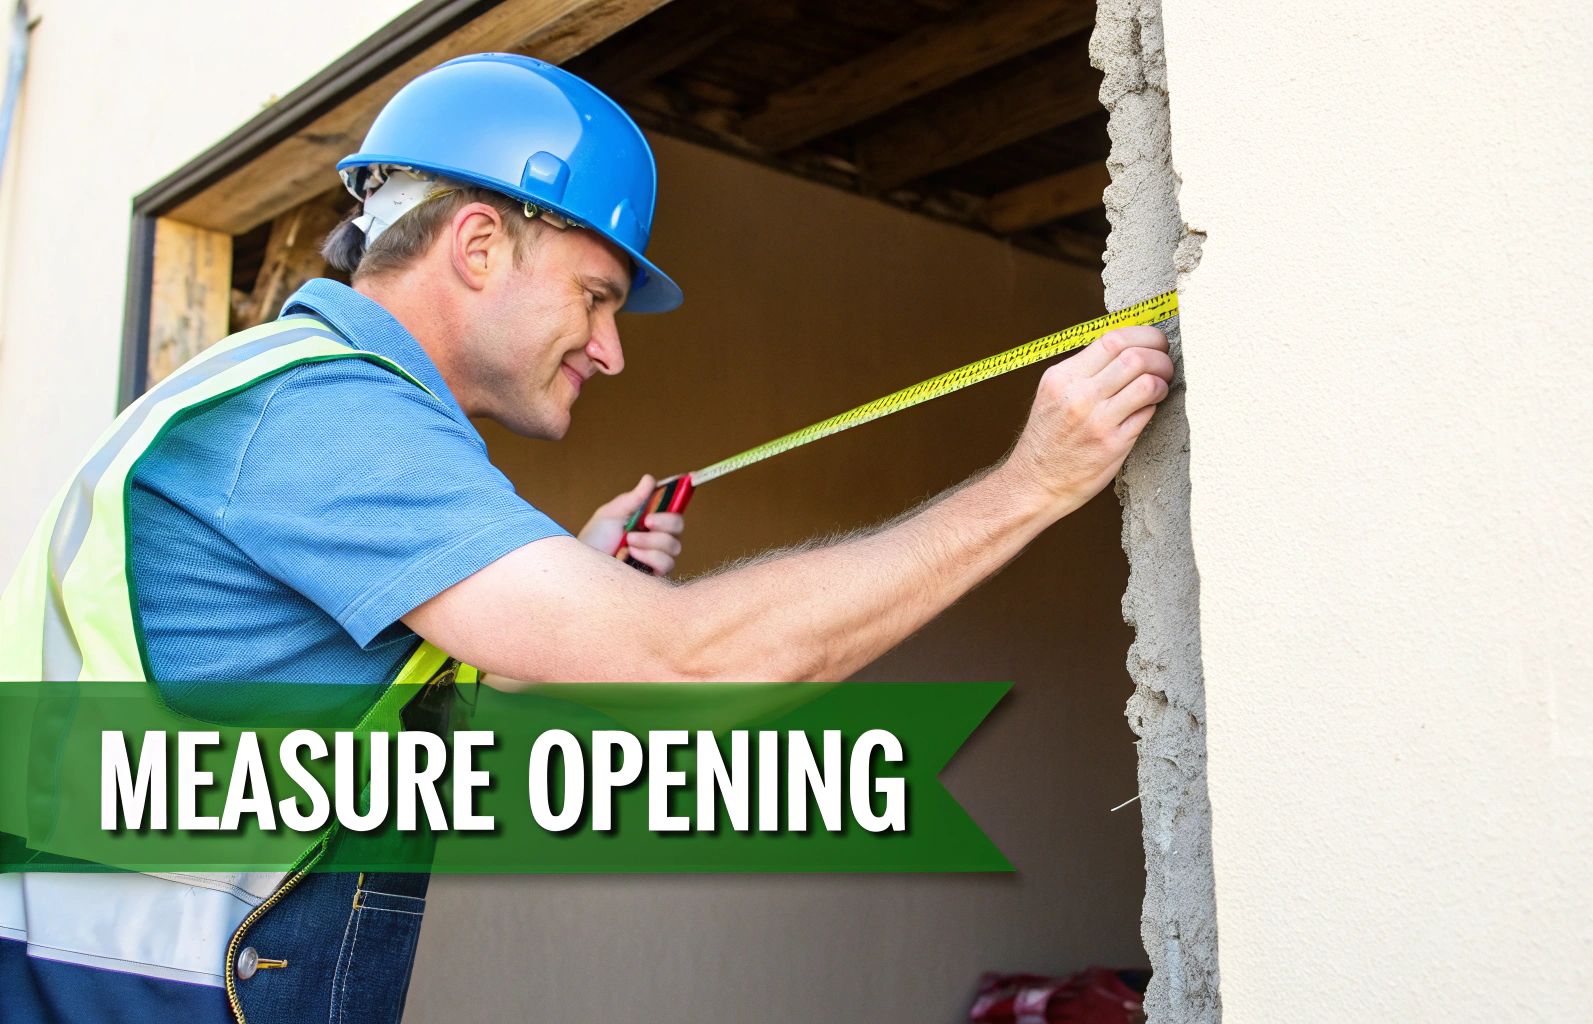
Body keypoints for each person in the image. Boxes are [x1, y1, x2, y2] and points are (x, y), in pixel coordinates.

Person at [0, 53, 1172, 1024]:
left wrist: (580, 579)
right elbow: (691, 666)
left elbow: (391, 683)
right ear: (476, 246)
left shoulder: (292, 399)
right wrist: (1029, 486)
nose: (609, 351)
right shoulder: (323, 415)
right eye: (596, 295)